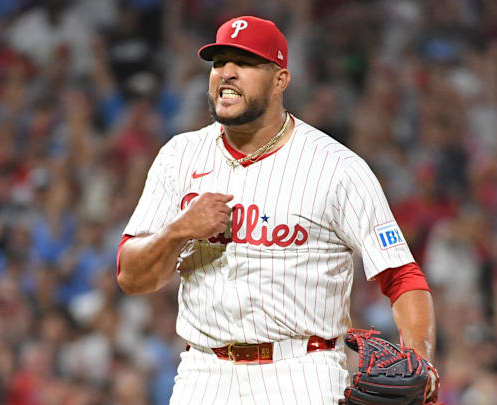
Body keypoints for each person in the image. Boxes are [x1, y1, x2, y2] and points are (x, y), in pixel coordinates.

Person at [116, 15, 437, 404]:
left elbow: (402, 276)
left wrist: (420, 361)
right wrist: (177, 231)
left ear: (280, 79)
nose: (227, 74)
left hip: (301, 371)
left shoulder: (336, 167)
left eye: (245, 63)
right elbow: (131, 276)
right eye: (219, 63)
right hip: (202, 372)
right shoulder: (179, 156)